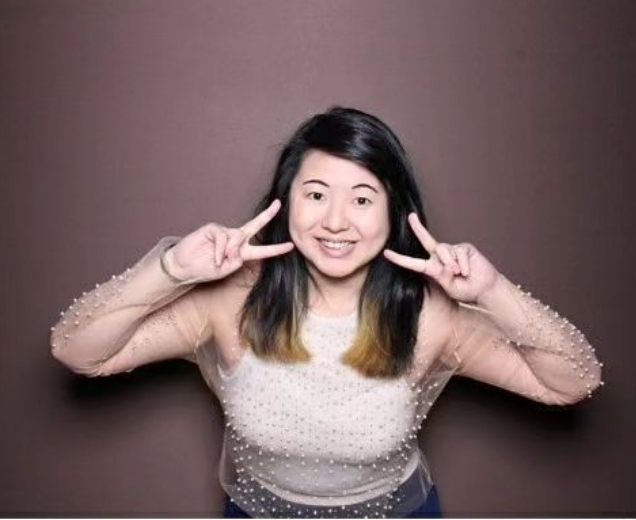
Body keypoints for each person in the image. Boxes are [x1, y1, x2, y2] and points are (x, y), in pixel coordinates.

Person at [50, 106, 604, 518]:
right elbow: (77, 351)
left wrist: (492, 292)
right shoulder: (231, 300)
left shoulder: (430, 315)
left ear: (394, 212)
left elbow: (574, 382)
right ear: (285, 202)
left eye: (362, 199)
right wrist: (171, 269)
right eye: (316, 195)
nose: (336, 221)